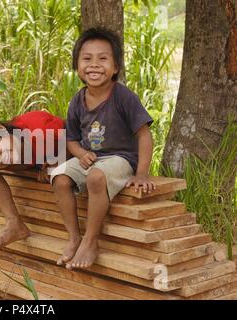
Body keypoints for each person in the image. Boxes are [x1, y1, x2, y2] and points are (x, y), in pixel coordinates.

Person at [50, 27, 156, 270]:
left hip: (121, 159)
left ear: (116, 67)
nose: (94, 65)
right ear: (77, 65)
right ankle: (74, 236)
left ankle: (90, 240)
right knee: (60, 178)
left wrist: (142, 173)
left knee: (97, 177)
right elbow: (72, 139)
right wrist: (79, 154)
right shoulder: (77, 100)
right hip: (92, 158)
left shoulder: (123, 97)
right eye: (87, 59)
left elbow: (144, 135)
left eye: (103, 58)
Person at [0, 110, 66, 248]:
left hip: (67, 148)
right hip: (36, 155)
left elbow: (74, 136)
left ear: (0, 129)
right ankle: (13, 222)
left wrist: (57, 160)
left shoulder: (40, 129)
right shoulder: (1, 157)